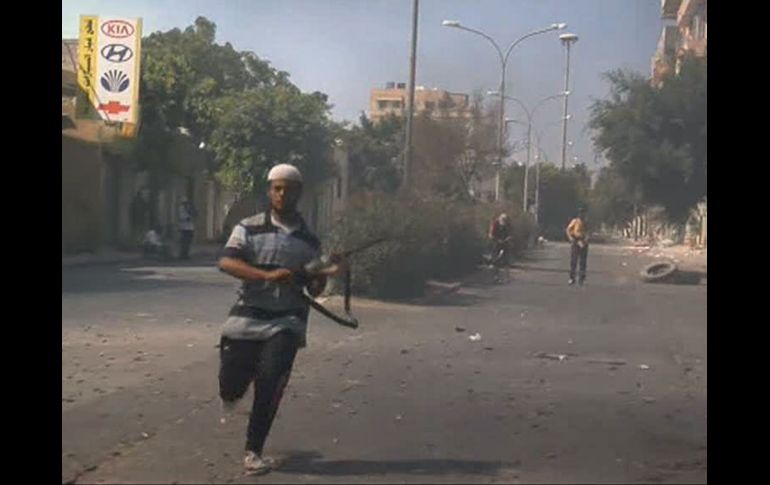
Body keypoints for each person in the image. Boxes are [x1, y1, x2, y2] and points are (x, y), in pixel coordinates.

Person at [217, 163, 342, 475]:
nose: (282, 194)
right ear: (269, 190)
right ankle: (232, 392)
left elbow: (314, 287)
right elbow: (227, 262)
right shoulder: (247, 227)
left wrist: (328, 272)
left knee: (271, 379)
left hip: (287, 320)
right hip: (246, 317)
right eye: (277, 188)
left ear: (299, 193)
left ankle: (253, 450)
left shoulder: (310, 242)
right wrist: (267, 275)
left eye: (289, 189)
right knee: (230, 386)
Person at [566, 207, 589, 285]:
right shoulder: (575, 221)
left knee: (583, 261)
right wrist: (571, 238)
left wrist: (586, 240)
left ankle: (581, 278)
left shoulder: (586, 222)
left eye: (583, 213)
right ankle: (572, 278)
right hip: (576, 240)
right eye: (580, 213)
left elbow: (588, 232)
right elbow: (568, 229)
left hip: (583, 241)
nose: (582, 215)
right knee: (574, 261)